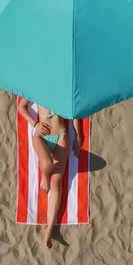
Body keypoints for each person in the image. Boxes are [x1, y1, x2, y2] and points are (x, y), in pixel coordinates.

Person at [18, 99, 83, 247]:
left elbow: (75, 113)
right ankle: (45, 175)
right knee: (47, 164)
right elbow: (21, 107)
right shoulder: (37, 86)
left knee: (57, 184)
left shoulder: (64, 91)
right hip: (41, 136)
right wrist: (35, 124)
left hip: (61, 136)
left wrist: (78, 136)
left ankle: (50, 227)